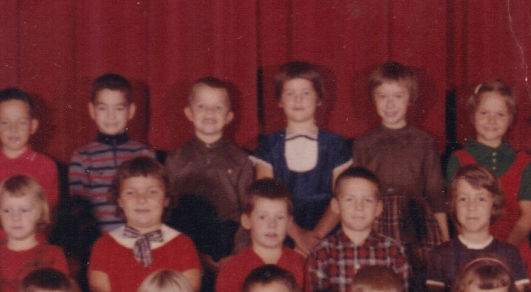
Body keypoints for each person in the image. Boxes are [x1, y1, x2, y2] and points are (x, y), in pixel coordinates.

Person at [88, 156, 201, 292]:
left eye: (151, 192)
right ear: (120, 200)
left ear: (166, 199)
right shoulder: (103, 246)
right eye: (131, 193)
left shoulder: (183, 245)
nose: (142, 199)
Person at [307, 166, 412, 292]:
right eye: (350, 199)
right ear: (336, 206)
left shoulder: (393, 252)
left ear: (379, 208)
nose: (359, 207)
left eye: (367, 200)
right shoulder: (323, 254)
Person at [353, 60, 449, 263]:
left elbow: (435, 194)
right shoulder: (364, 143)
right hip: (376, 218)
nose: (390, 104)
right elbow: (356, 192)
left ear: (410, 98)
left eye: (398, 96)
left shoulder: (423, 141)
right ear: (373, 98)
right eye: (383, 96)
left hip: (416, 220)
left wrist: (444, 238)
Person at [253, 60, 351, 255]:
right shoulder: (269, 146)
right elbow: (265, 199)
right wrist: (298, 236)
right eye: (290, 93)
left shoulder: (336, 145)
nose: (298, 100)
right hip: (281, 233)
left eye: (306, 93)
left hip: (326, 233)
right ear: (279, 100)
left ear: (319, 99)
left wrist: (315, 237)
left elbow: (343, 197)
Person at [427, 165, 528, 292]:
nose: (471, 207)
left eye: (481, 199)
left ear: (493, 204)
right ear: (453, 204)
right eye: (463, 199)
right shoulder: (441, 254)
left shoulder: (509, 254)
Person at [165, 76, 255, 265]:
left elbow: (248, 213)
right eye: (202, 106)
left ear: (229, 116)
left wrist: (235, 256)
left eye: (217, 107)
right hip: (186, 244)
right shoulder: (175, 160)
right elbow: (167, 212)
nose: (209, 113)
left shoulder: (241, 160)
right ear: (189, 113)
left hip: (229, 244)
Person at [215, 179, 310, 292]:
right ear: (246, 220)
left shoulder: (299, 262)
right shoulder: (233, 268)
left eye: (279, 217)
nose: (272, 224)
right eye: (263, 217)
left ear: (289, 223)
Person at [444, 79, 531, 247]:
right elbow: (454, 210)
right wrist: (475, 247)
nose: (491, 121)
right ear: (472, 115)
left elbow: (528, 216)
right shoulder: (458, 159)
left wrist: (505, 250)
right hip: (470, 247)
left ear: (511, 119)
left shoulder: (523, 162)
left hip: (513, 249)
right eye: (484, 113)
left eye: (500, 114)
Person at [0, 87, 59, 251]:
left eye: (21, 122)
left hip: (34, 252)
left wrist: (31, 250)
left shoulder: (46, 167)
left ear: (33, 125)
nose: (13, 129)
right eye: (5, 122)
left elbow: (47, 217)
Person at [68, 73, 154, 234]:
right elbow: (80, 210)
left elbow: (152, 202)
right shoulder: (82, 157)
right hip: (99, 243)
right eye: (103, 108)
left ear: (131, 111)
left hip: (139, 238)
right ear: (92, 110)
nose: (111, 116)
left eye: (119, 108)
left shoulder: (144, 154)